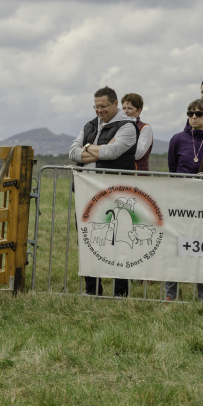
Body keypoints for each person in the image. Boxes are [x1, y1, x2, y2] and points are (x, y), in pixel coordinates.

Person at [68, 86, 138, 297]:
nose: (99, 110)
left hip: (115, 194)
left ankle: (120, 293)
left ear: (115, 104)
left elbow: (113, 152)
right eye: (96, 106)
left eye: (104, 106)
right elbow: (72, 153)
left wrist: (87, 149)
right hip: (86, 192)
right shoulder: (89, 124)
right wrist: (98, 150)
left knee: (120, 242)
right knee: (89, 240)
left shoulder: (127, 126)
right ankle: (92, 289)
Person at [164, 99, 203, 302]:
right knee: (175, 246)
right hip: (181, 202)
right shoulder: (177, 139)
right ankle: (170, 295)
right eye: (190, 113)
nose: (193, 117)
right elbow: (173, 169)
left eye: (198, 114)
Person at [121, 93, 153, 173]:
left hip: (137, 175)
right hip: (120, 174)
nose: (126, 111)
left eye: (130, 108)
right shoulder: (117, 126)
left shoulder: (145, 128)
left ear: (139, 111)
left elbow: (138, 154)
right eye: (124, 108)